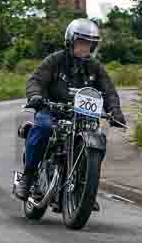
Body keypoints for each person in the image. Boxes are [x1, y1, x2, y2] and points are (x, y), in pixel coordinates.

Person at [18, 18, 126, 208]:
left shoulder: (95, 67)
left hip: (81, 117)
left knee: (98, 138)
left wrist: (115, 111)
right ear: (71, 41)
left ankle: (86, 190)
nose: (85, 47)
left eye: (89, 44)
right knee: (42, 128)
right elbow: (35, 80)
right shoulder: (55, 60)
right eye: (81, 42)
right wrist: (35, 95)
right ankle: (28, 176)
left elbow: (109, 91)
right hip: (52, 110)